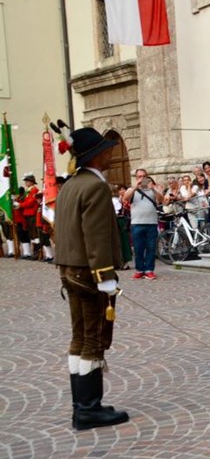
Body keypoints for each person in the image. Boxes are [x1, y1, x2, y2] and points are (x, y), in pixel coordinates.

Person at [55, 126, 130, 431]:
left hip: (70, 269)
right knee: (93, 338)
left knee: (79, 337)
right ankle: (88, 410)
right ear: (97, 155)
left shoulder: (71, 185)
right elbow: (95, 235)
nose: (111, 153)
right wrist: (105, 276)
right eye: (106, 149)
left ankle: (83, 405)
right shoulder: (95, 186)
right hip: (89, 273)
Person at [122, 168, 162, 280]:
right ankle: (139, 270)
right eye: (139, 176)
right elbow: (125, 198)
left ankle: (149, 270)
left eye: (144, 176)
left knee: (150, 248)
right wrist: (136, 186)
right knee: (138, 248)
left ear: (147, 177)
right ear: (136, 178)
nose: (142, 178)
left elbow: (162, 200)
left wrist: (153, 189)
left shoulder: (153, 189)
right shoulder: (132, 189)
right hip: (137, 223)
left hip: (151, 223)